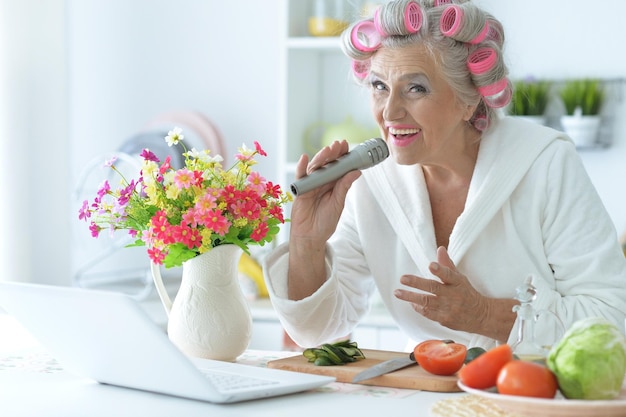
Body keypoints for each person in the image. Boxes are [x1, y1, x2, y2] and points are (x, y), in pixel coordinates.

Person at [263, 0, 626, 351]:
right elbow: (316, 331)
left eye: (416, 88)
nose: (390, 111)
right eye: (379, 86)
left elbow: (611, 319)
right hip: (428, 391)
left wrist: (485, 315)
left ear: (470, 99)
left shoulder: (544, 162)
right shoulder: (370, 181)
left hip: (533, 396)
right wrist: (307, 245)